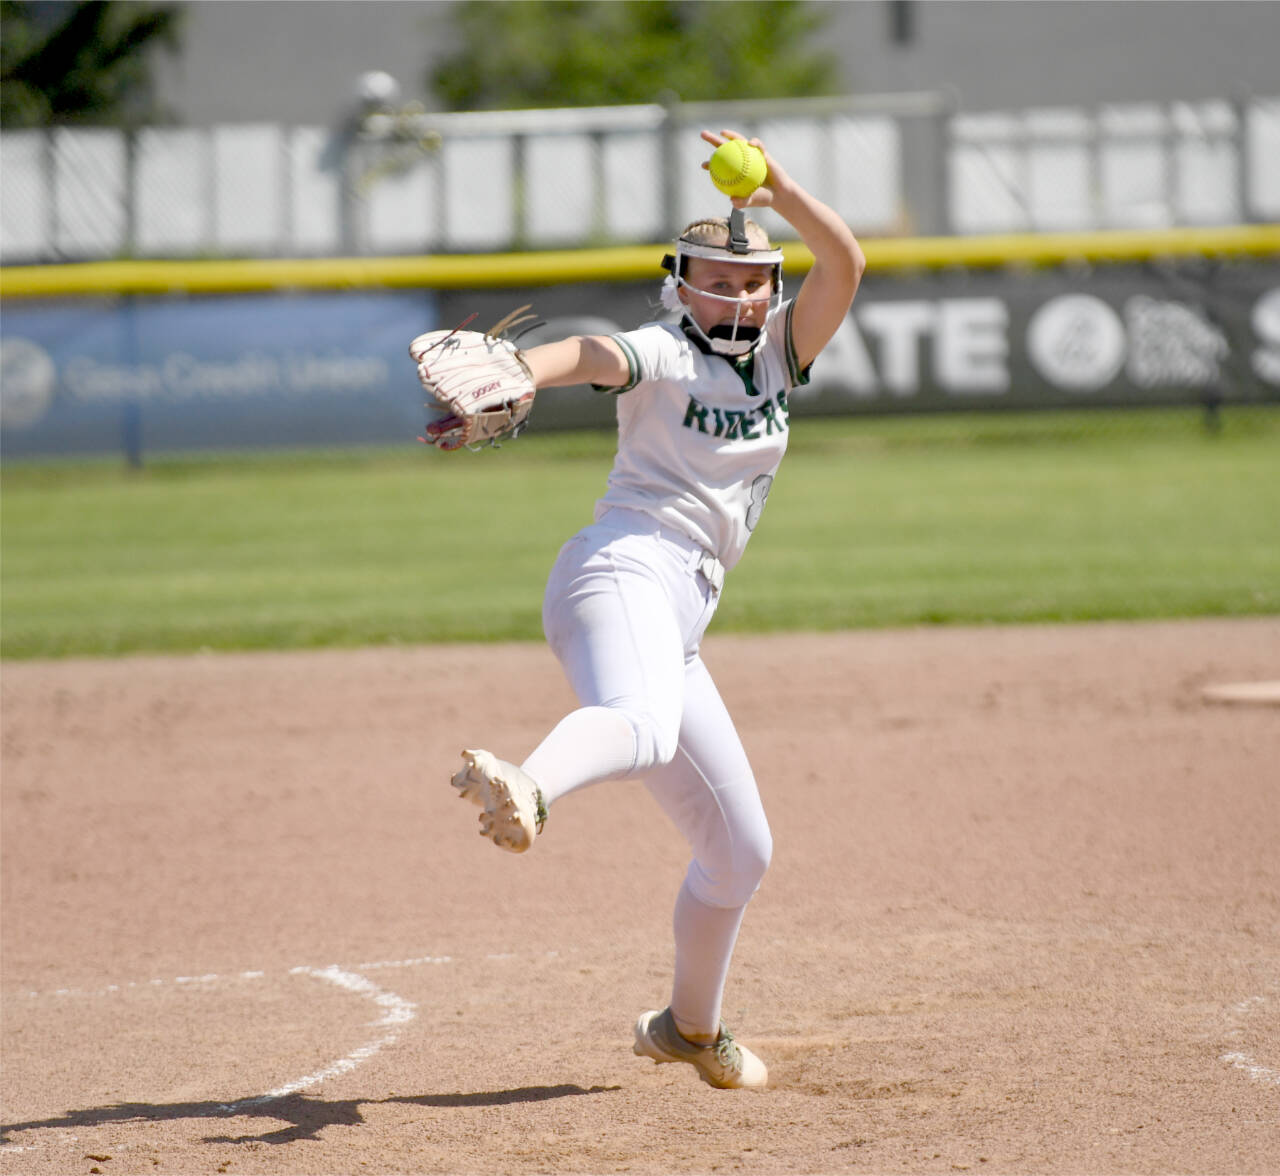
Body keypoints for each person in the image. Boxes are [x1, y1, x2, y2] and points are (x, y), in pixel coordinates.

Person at [449, 129, 866, 1090]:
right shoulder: (666, 350)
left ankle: (687, 1027)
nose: (738, 297)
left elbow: (842, 262)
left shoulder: (779, 357)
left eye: (752, 281)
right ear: (680, 286)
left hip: (676, 618)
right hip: (622, 572)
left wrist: (781, 187)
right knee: (638, 727)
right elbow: (595, 352)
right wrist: (524, 373)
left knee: (740, 850)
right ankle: (532, 785)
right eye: (716, 282)